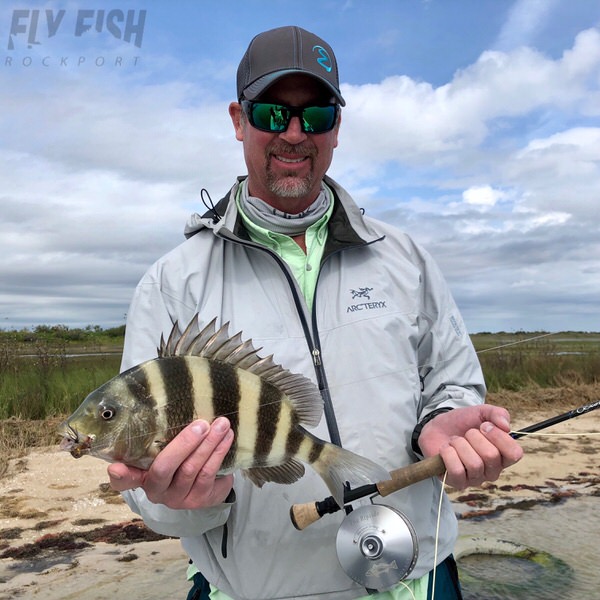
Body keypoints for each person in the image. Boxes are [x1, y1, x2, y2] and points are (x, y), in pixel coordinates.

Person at [107, 25, 523, 600]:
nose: (296, 133)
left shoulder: (407, 259)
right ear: (238, 120)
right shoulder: (172, 283)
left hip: (417, 576)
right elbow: (147, 497)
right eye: (273, 114)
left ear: (337, 127)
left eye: (318, 114)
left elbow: (453, 381)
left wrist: (442, 425)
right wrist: (184, 501)